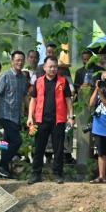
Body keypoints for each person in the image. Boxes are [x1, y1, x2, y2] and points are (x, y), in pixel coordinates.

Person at [27, 56, 75, 184]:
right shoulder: (38, 81)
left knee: (58, 149)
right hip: (41, 120)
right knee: (39, 148)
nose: (53, 69)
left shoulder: (63, 81)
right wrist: (30, 117)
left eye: (55, 67)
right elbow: (33, 100)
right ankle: (36, 174)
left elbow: (68, 100)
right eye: (50, 66)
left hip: (58, 120)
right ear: (44, 68)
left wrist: (71, 117)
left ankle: (57, 174)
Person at [0, 50, 28, 178]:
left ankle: (3, 169)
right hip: (5, 116)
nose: (20, 62)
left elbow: (25, 96)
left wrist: (28, 113)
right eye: (17, 60)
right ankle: (2, 164)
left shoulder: (23, 78)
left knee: (5, 142)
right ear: (12, 61)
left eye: (22, 60)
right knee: (17, 141)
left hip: (16, 116)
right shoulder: (6, 76)